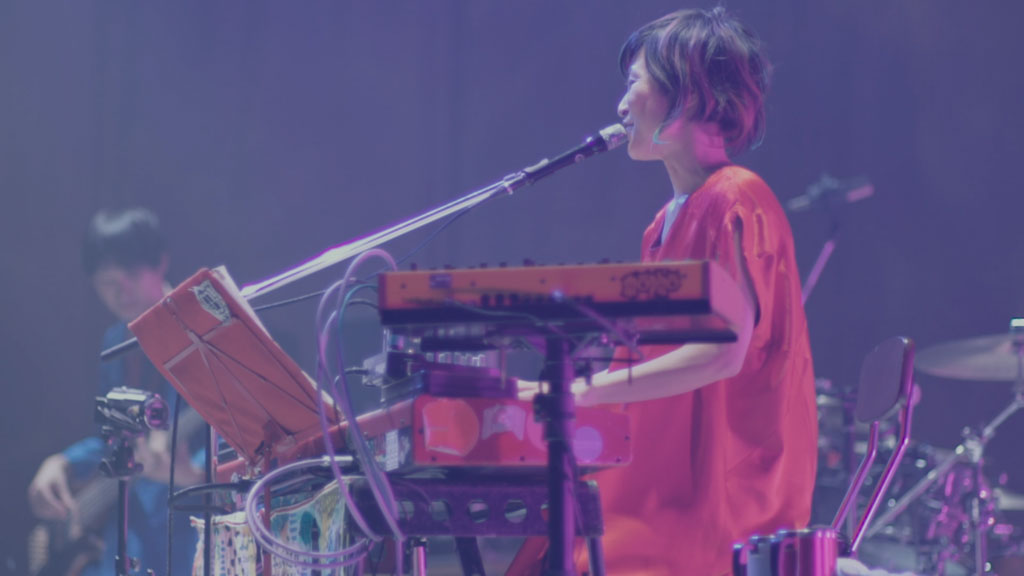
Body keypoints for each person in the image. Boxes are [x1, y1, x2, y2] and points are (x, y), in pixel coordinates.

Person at [510, 7, 817, 575]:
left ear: (688, 89)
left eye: (634, 83)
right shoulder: (663, 224)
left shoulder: (735, 195)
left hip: (715, 495)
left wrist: (573, 393)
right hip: (659, 480)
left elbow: (721, 355)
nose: (621, 106)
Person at [27, 208, 204, 576]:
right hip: (129, 531)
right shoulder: (115, 341)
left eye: (132, 275)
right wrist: (63, 462)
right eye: (107, 282)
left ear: (161, 263)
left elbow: (246, 439)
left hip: (193, 529)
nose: (121, 291)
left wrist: (195, 474)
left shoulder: (204, 328)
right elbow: (111, 439)